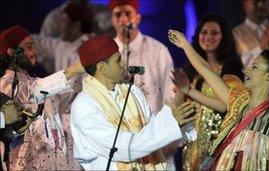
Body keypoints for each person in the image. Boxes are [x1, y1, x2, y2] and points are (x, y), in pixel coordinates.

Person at [168, 29, 269, 170]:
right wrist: (185, 45)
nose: (246, 71)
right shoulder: (238, 101)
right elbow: (205, 69)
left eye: (255, 67)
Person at [71, 34, 198, 170]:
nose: (124, 63)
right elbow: (123, 147)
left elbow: (150, 126)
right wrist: (170, 122)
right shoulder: (84, 105)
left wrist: (179, 120)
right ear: (102, 68)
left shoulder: (131, 90)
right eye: (118, 60)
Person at [0, 25, 84, 170]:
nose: (35, 51)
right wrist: (76, 68)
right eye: (29, 46)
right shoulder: (5, 87)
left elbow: (64, 104)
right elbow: (34, 93)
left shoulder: (34, 83)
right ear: (12, 52)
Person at [172, 14, 244, 171]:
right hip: (193, 148)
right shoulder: (190, 72)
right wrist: (180, 90)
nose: (208, 37)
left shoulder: (231, 72)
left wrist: (188, 90)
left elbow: (225, 106)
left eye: (214, 33)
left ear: (224, 37)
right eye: (203, 32)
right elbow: (177, 110)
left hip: (220, 146)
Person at [110, 0, 175, 114]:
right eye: (118, 15)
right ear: (112, 21)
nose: (123, 19)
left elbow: (169, 93)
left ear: (138, 17)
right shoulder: (106, 52)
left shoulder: (158, 50)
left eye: (128, 13)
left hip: (153, 126)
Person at [34, 0, 93, 74]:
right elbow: (41, 43)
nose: (59, 26)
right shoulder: (63, 45)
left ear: (76, 26)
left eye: (63, 22)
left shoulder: (76, 50)